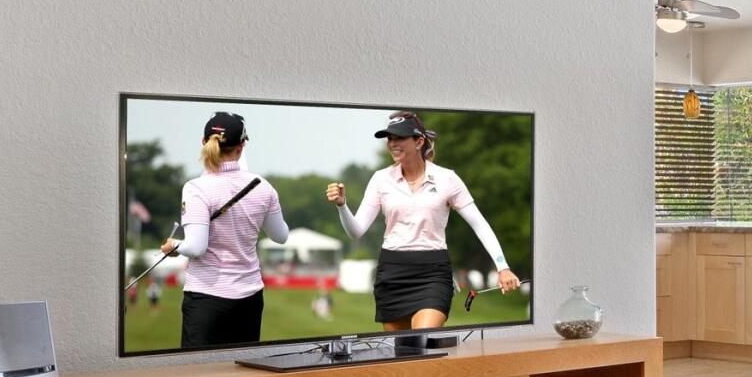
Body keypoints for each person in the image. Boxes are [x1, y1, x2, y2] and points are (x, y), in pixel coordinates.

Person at [331, 110, 520, 332]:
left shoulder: (447, 179)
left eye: (400, 138)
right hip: (392, 273)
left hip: (433, 273)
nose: (393, 144)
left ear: (419, 141)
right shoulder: (380, 179)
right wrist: (342, 205)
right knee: (402, 349)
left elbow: (480, 224)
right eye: (390, 138)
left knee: (422, 339)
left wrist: (503, 267)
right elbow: (356, 231)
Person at [160, 110, 292, 349]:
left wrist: (174, 246)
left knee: (198, 369)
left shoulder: (196, 188)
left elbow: (196, 247)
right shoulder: (263, 187)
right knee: (239, 368)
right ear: (241, 147)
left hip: (206, 297)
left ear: (203, 142)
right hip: (249, 297)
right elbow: (281, 236)